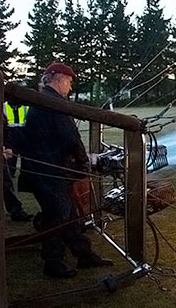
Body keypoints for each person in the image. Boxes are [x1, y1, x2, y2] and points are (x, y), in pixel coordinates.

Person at [19, 62, 113, 279]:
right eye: (69, 82)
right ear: (59, 78)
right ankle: (53, 263)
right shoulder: (55, 104)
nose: (70, 87)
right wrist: (83, 163)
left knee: (69, 215)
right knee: (58, 218)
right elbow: (70, 136)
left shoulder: (42, 99)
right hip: (50, 173)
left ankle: (84, 254)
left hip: (42, 170)